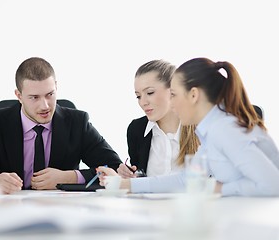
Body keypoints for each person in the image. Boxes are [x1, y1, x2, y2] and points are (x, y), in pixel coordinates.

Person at [99, 57, 279, 197]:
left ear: (193, 95)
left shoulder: (224, 129)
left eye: (175, 95)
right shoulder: (212, 129)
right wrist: (124, 184)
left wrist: (217, 189)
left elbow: (272, 184)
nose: (173, 103)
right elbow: (187, 179)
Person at [0, 57, 122, 194]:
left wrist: (69, 177)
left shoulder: (77, 122)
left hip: (62, 208)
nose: (45, 106)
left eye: (50, 94)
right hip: (9, 208)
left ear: (56, 87)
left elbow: (114, 168)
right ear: (19, 96)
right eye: (34, 97)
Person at [118, 60, 200, 186]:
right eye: (138, 96)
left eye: (150, 93)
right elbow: (141, 179)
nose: (143, 102)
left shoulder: (202, 127)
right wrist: (130, 175)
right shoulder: (136, 130)